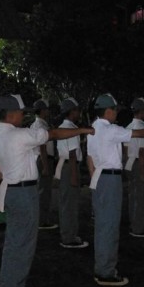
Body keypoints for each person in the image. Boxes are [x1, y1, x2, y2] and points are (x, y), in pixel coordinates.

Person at [0, 94, 94, 287]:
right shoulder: (19, 135)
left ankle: (10, 285)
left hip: (10, 191)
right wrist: (82, 130)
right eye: (22, 113)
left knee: (14, 243)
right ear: (13, 114)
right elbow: (53, 134)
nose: (23, 116)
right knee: (23, 244)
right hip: (23, 192)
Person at [87, 93, 144, 286]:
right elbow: (139, 134)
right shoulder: (110, 130)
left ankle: (102, 267)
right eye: (115, 110)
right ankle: (106, 272)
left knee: (103, 225)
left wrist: (95, 180)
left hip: (99, 178)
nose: (117, 114)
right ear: (108, 111)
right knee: (109, 226)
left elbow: (90, 159)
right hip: (109, 179)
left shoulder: (93, 129)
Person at [54, 97, 89, 248]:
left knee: (66, 202)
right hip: (70, 167)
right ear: (71, 112)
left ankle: (67, 234)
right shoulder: (72, 129)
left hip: (64, 166)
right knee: (71, 203)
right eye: (77, 110)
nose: (79, 113)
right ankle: (69, 237)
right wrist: (75, 176)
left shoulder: (63, 126)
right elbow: (73, 154)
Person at [125, 98, 144, 238]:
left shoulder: (129, 126)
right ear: (141, 112)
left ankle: (133, 222)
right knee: (142, 196)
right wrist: (142, 172)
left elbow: (124, 149)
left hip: (130, 163)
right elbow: (142, 152)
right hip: (139, 163)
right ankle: (139, 228)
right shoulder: (143, 128)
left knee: (133, 195)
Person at [30, 98, 58, 230]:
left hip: (41, 159)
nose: (48, 111)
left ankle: (41, 218)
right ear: (42, 111)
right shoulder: (40, 126)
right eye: (46, 109)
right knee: (44, 190)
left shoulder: (37, 125)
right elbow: (42, 147)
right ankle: (42, 220)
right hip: (44, 159)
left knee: (42, 190)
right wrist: (46, 166)